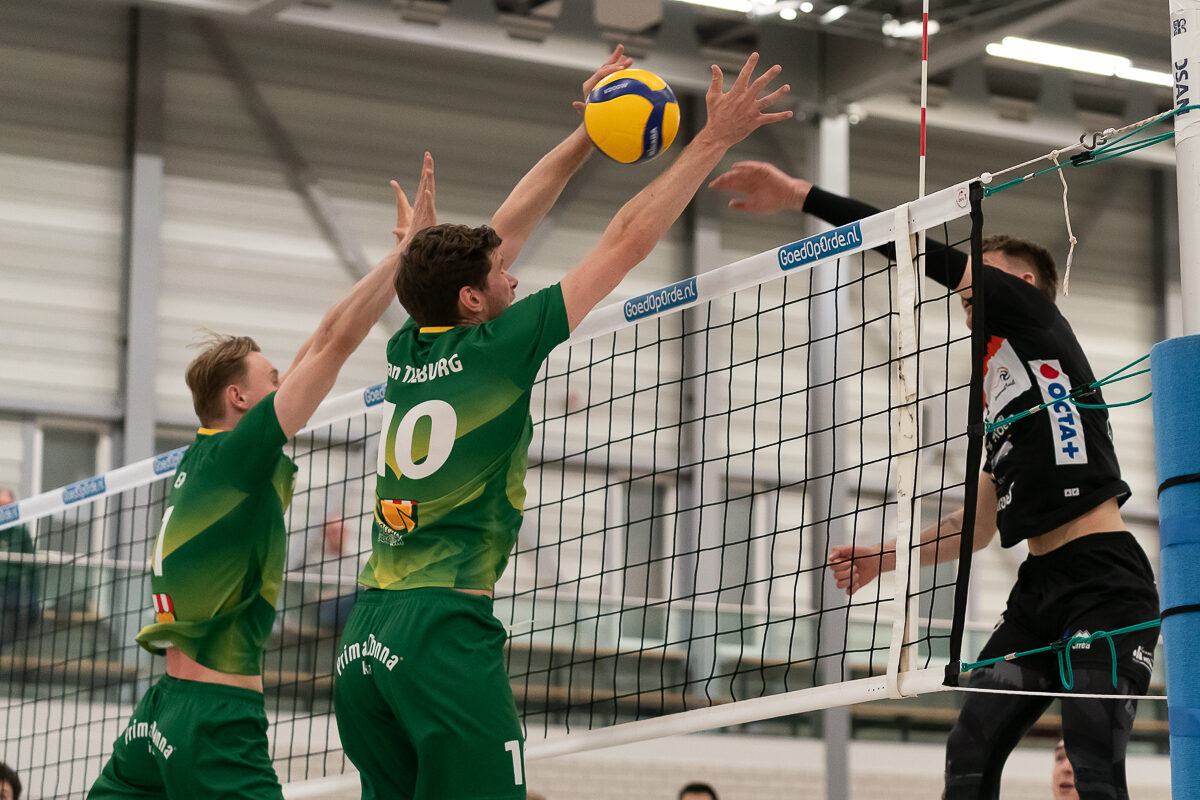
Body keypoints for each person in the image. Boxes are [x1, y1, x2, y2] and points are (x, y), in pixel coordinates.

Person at [331, 47, 791, 800]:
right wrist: (713, 138)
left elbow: (503, 228)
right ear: (472, 300)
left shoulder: (410, 344)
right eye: (500, 275)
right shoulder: (500, 346)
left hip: (366, 638)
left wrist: (589, 131)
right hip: (443, 632)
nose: (513, 275)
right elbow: (625, 241)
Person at [709, 161, 1159, 800]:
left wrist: (800, 195)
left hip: (1105, 583)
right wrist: (885, 558)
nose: (964, 300)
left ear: (1023, 284)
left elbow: (916, 249)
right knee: (970, 749)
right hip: (1039, 592)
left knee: (1090, 759)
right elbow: (975, 528)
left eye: (978, 281)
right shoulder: (1000, 391)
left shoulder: (1035, 320)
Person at [86, 155, 436, 800]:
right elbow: (332, 341)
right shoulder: (237, 459)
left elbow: (311, 348)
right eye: (272, 381)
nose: (286, 387)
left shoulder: (202, 459)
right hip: (216, 722)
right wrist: (406, 259)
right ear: (239, 399)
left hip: (159, 715)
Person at [0, 487, 39, 651]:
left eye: (7, 505)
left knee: (31, 610)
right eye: (0, 505)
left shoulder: (20, 531)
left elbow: (32, 565)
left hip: (13, 588)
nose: (3, 509)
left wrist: (34, 595)